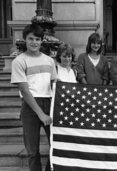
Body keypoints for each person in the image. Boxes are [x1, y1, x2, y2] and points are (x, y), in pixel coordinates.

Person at [11, 24, 57, 171]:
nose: (34, 42)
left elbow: (55, 85)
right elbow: (24, 90)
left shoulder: (49, 61)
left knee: (55, 146)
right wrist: (40, 114)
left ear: (41, 41)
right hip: (30, 106)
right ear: (25, 40)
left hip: (49, 103)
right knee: (32, 151)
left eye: (37, 39)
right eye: (31, 39)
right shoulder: (19, 61)